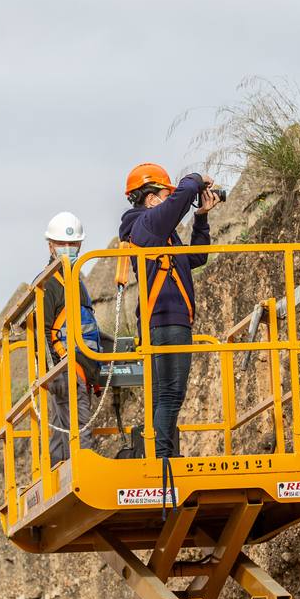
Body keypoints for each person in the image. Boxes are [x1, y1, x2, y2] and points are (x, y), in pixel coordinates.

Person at [118, 164, 220, 459]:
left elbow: (197, 258)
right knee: (171, 393)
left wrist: (201, 218)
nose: (170, 200)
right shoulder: (144, 226)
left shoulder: (161, 235)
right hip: (165, 321)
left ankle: (157, 454)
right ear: (150, 199)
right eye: (165, 195)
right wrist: (198, 180)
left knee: (162, 393)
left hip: (165, 320)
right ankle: (161, 459)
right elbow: (185, 194)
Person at [40, 211, 101, 465]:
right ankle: (83, 468)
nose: (68, 248)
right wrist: (55, 368)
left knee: (62, 427)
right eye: (62, 244)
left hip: (79, 367)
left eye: (73, 244)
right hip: (64, 368)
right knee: (78, 423)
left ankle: (60, 473)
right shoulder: (48, 284)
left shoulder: (75, 281)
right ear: (50, 246)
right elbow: (42, 330)